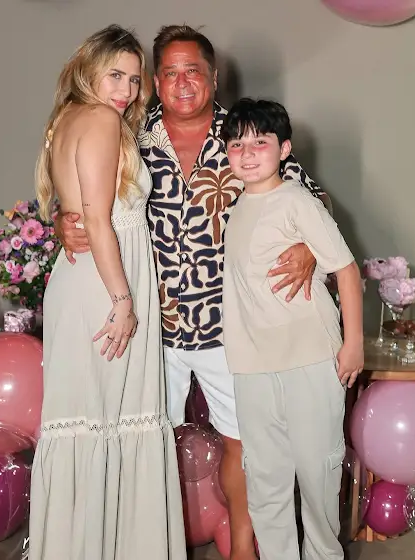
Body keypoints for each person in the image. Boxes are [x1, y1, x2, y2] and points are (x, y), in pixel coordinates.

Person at [54, 25, 330, 559]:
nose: (182, 83)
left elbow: (312, 200)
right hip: (150, 323)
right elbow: (83, 196)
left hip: (233, 324)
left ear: (213, 77)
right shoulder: (128, 131)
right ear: (155, 82)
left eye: (193, 71)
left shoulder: (246, 134)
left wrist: (309, 248)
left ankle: (243, 548)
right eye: (170, 73)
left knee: (246, 442)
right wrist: (61, 223)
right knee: (136, 440)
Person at [29, 25, 187, 560]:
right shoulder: (100, 120)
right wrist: (123, 301)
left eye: (134, 80)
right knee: (103, 421)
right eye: (115, 75)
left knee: (93, 423)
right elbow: (97, 219)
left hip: (89, 278)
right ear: (88, 71)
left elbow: (79, 209)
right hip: (107, 285)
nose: (126, 90)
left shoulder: (67, 119)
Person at [221, 97, 364, 560]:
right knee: (265, 480)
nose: (247, 153)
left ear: (284, 149)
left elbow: (346, 271)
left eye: (259, 143)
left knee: (317, 474)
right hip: (252, 365)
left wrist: (353, 344)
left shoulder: (297, 202)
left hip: (309, 358)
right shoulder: (237, 208)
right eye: (236, 144)